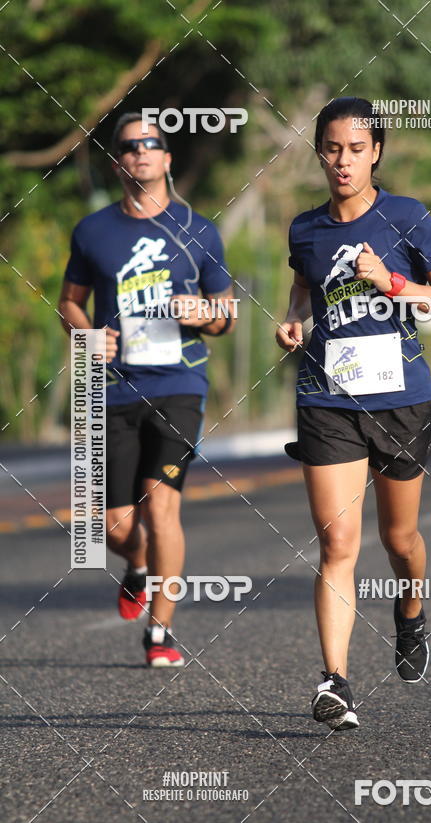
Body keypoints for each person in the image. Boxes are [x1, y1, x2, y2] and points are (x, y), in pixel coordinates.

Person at [276, 97, 431, 731]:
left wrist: (392, 284)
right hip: (327, 399)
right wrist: (294, 321)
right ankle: (335, 682)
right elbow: (304, 287)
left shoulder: (407, 217)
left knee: (399, 540)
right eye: (332, 148)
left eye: (356, 149)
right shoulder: (304, 228)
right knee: (337, 543)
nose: (343, 161)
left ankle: (411, 611)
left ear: (376, 151)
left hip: (400, 401)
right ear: (320, 153)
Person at [58, 112, 235, 666]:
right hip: (113, 388)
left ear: (167, 159)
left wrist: (204, 313)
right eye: (130, 147)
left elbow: (228, 314)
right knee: (115, 526)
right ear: (119, 163)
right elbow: (69, 302)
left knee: (163, 511)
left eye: (151, 144)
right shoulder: (94, 232)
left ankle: (160, 635)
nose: (141, 153)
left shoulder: (200, 230)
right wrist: (86, 336)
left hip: (180, 384)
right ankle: (135, 565)